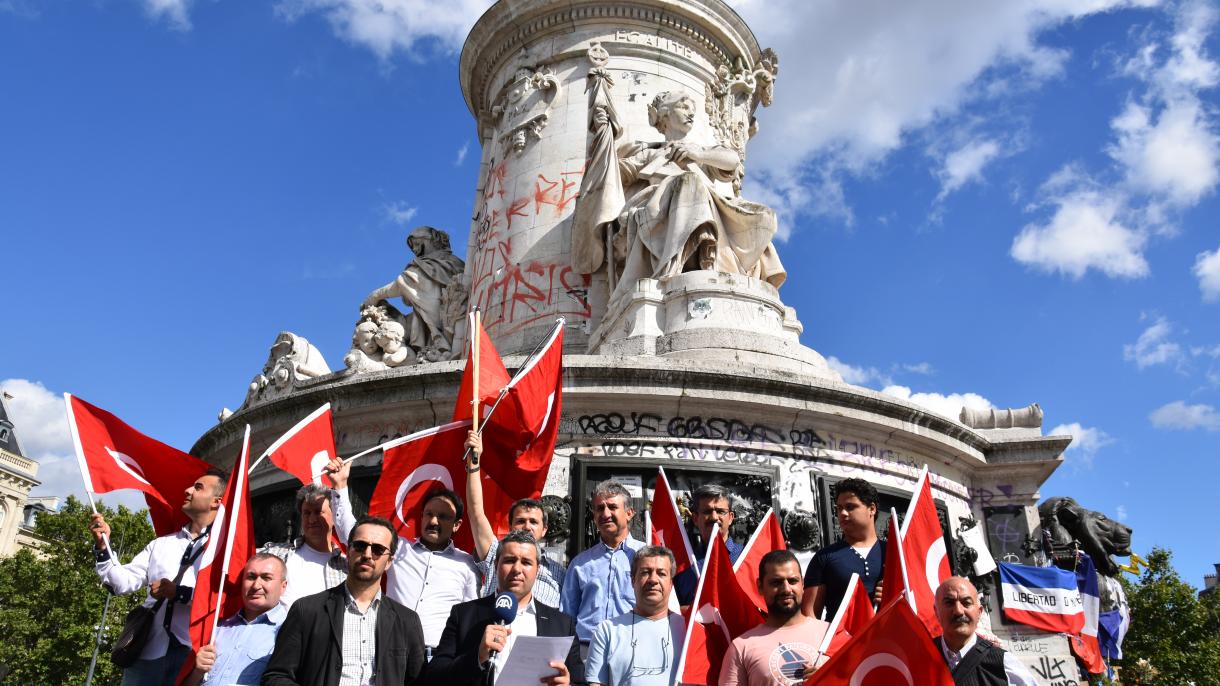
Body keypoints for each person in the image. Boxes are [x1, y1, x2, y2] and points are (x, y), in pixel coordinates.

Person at [571, 90, 785, 304]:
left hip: (711, 205)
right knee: (689, 184)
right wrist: (603, 137)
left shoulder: (702, 153)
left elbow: (731, 161)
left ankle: (725, 267)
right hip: (662, 206)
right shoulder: (651, 153)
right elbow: (614, 175)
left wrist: (698, 154)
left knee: (764, 215)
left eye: (692, 110)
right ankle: (675, 269)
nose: (691, 114)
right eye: (683, 108)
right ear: (664, 115)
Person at [89, 467, 228, 685]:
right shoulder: (161, 544)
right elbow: (121, 583)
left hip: (193, 657)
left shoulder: (224, 550)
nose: (188, 490)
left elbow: (223, 598)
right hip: (147, 652)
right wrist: (103, 546)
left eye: (198, 487)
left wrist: (179, 594)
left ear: (216, 502)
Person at [328, 461, 481, 650]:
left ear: (457, 525)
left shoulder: (466, 564)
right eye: (429, 514)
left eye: (443, 517)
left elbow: (470, 615)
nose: (433, 521)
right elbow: (351, 533)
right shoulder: (398, 548)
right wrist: (340, 486)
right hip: (391, 650)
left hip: (438, 657)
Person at [262, 516, 427, 686]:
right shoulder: (307, 610)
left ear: (389, 562)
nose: (367, 554)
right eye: (360, 546)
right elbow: (277, 676)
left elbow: (419, 681)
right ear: (348, 551)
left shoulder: (407, 621)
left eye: (377, 549)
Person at [424, 530, 582, 684]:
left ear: (537, 570)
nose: (517, 570)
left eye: (526, 562)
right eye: (509, 560)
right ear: (495, 565)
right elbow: (434, 676)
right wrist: (477, 657)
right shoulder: (464, 615)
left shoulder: (562, 625)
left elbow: (579, 681)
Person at [464, 430, 566, 606]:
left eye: (533, 522)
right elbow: (476, 512)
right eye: (520, 521)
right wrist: (474, 461)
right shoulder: (495, 555)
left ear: (544, 530)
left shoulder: (559, 573)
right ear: (510, 526)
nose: (527, 526)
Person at [722, 550, 833, 686]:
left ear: (802, 584)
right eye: (776, 582)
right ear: (760, 586)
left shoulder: (831, 634)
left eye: (792, 581)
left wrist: (831, 680)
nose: (786, 589)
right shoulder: (741, 647)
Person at [560, 480, 645, 650]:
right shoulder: (580, 564)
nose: (605, 514)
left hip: (633, 650)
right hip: (586, 651)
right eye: (599, 508)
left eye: (612, 507)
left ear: (629, 513)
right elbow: (566, 616)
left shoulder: (647, 558)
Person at [181, 553, 288, 686]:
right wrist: (197, 672)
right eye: (251, 577)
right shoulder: (217, 627)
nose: (256, 585)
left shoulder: (288, 632)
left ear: (283, 586)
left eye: (266, 578)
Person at [586, 546, 686, 686]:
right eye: (645, 572)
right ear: (633, 580)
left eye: (661, 573)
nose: (653, 580)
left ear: (670, 583)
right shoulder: (608, 630)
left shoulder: (688, 631)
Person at [802, 478, 885, 620]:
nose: (843, 513)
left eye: (850, 507)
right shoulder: (824, 557)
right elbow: (809, 617)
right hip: (842, 641)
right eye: (839, 508)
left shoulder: (894, 553)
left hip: (887, 639)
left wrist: (895, 595)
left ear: (872, 509)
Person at [934, 577, 1038, 686]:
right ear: (936, 612)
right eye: (949, 603)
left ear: (979, 612)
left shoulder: (1003, 664)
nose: (958, 611)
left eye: (966, 603)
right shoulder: (919, 658)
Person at [261, 482, 348, 608]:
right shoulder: (276, 554)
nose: (312, 519)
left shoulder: (346, 565)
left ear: (334, 516)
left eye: (318, 512)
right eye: (307, 513)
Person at [674, 483, 743, 607]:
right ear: (695, 518)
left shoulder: (746, 557)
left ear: (731, 517)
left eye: (721, 511)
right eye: (707, 511)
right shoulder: (683, 565)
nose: (714, 517)